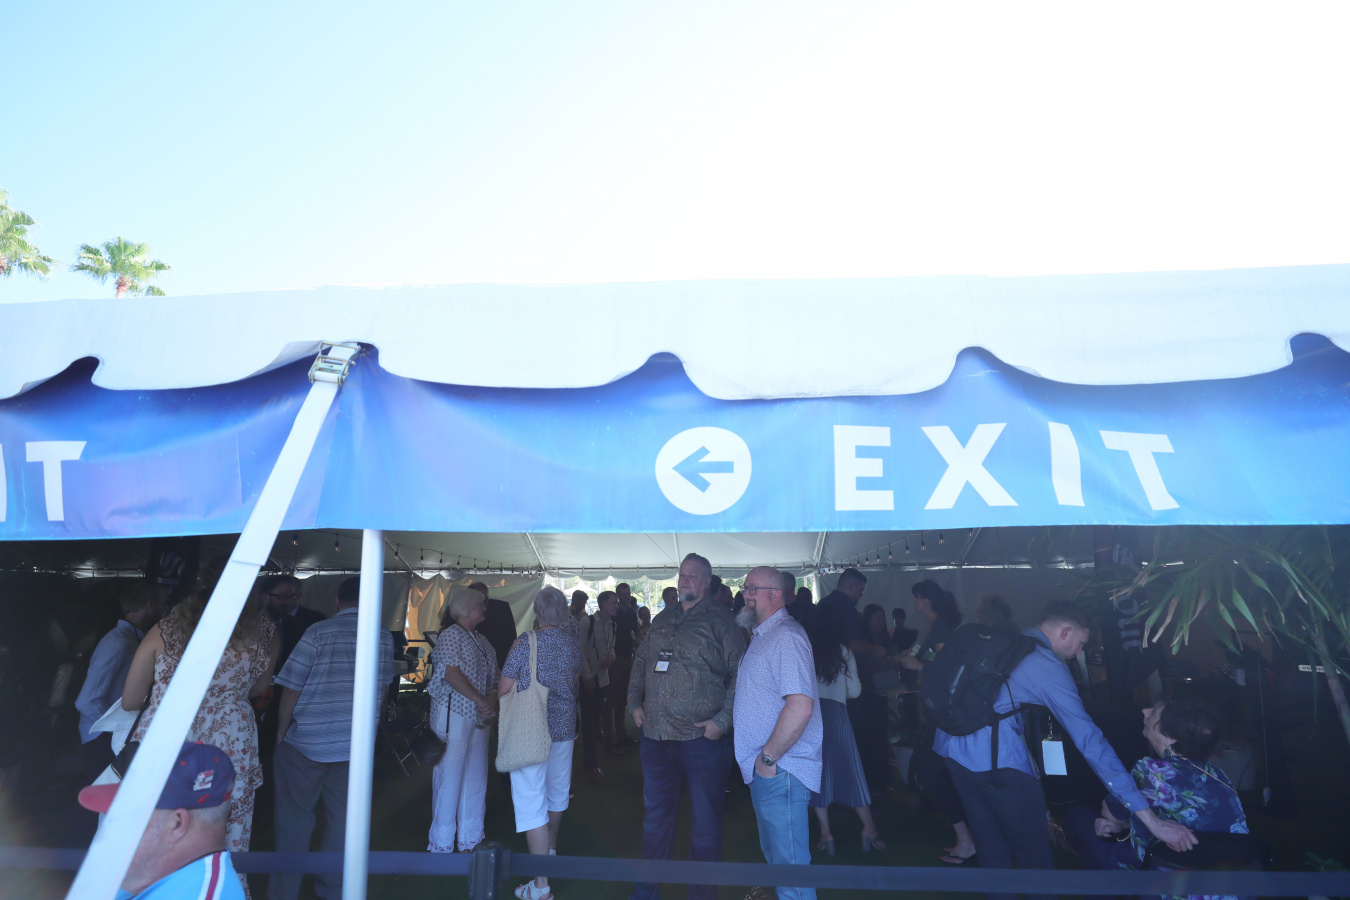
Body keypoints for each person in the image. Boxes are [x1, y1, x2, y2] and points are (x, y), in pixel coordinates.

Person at [936, 601, 1197, 900]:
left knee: (990, 844)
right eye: (1081, 643)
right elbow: (1091, 742)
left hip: (952, 750)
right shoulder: (1046, 665)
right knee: (1035, 854)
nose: (1078, 652)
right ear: (1065, 631)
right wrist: (1150, 819)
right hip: (998, 764)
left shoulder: (1007, 641)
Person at [124, 590, 279, 897]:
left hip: (170, 735)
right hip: (230, 736)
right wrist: (225, 693)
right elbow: (260, 686)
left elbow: (130, 699)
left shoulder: (165, 628)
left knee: (157, 824)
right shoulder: (264, 630)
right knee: (230, 829)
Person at [627, 553, 747, 900]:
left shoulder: (724, 621)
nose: (684, 580)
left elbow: (742, 673)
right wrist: (634, 701)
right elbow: (641, 661)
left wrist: (723, 721)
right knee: (655, 821)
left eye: (692, 576)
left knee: (705, 825)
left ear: (707, 582)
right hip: (656, 737)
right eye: (682, 574)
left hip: (701, 739)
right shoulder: (663, 618)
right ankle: (646, 893)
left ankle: (702, 895)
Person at [267, 577, 394, 900]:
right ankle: (334, 890)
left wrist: (281, 731)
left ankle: (285, 894)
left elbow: (291, 687)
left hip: (306, 742)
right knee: (343, 825)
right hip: (353, 745)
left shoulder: (318, 632)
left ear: (338, 600)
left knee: (294, 823)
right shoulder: (382, 636)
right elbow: (382, 691)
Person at [1064, 698, 1247, 890]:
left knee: (1080, 817)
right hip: (1224, 889)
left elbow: (1110, 813)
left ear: (1170, 737)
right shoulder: (1219, 775)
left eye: (1154, 712)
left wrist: (1119, 823)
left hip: (1158, 884)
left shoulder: (1150, 771)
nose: (1145, 710)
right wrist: (1127, 825)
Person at [734, 567, 823, 900]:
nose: (746, 594)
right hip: (769, 770)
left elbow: (801, 707)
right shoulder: (765, 634)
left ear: (776, 595)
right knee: (781, 863)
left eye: (753, 589)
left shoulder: (786, 636)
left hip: (780, 770)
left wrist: (768, 759)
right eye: (745, 588)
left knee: (791, 873)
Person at [79, 741, 244, 900]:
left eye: (128, 817)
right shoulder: (142, 873)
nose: (111, 832)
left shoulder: (197, 894)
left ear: (177, 824)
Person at [499, 587, 582, 900]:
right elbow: (574, 680)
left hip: (530, 730)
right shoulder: (571, 643)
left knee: (531, 799)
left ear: (537, 611)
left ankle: (541, 885)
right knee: (557, 794)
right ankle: (550, 851)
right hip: (564, 729)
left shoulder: (526, 642)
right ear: (564, 611)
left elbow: (504, 687)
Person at [900, 580, 976, 866]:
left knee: (931, 773)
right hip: (942, 715)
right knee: (944, 774)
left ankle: (967, 839)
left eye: (915, 598)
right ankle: (969, 836)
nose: (914, 603)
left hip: (945, 716)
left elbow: (952, 670)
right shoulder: (938, 626)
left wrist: (919, 665)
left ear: (924, 599)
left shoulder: (940, 628)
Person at [805, 599, 884, 855]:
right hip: (838, 715)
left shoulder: (806, 648)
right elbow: (855, 691)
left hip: (811, 715)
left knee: (817, 773)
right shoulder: (844, 651)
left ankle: (826, 834)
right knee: (851, 771)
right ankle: (869, 828)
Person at [424, 585, 499, 855]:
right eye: (481, 604)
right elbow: (450, 673)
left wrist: (491, 697)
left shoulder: (482, 639)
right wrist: (480, 699)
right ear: (467, 609)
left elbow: (495, 675)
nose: (484, 608)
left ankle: (470, 837)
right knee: (450, 775)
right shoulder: (450, 635)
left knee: (476, 776)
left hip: (479, 717)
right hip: (453, 714)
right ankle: (443, 842)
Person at [75, 583, 165, 785]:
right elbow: (87, 700)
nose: (164, 610)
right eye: (162, 603)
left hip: (111, 734)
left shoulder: (131, 639)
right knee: (102, 796)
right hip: (102, 737)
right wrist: (114, 730)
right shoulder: (118, 642)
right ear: (150, 604)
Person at [850, 604, 897, 796]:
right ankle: (871, 781)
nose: (881, 622)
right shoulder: (864, 644)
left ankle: (882, 779)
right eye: (877, 618)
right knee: (868, 737)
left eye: (883, 618)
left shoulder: (884, 639)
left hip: (881, 695)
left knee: (880, 736)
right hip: (866, 696)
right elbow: (867, 667)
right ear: (868, 620)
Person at [580, 590, 618, 776]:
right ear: (603, 604)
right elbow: (580, 651)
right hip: (590, 678)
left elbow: (612, 648)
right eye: (613, 602)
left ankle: (591, 759)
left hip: (603, 678)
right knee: (589, 721)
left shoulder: (612, 624)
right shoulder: (587, 622)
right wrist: (587, 677)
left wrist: (612, 657)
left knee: (596, 720)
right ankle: (591, 762)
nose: (616, 606)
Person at [258, 575, 325, 674]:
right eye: (283, 597)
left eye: (292, 597)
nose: (289, 601)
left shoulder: (294, 624)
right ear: (265, 597)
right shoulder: (246, 623)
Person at [610, 583, 640, 746]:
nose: (627, 597)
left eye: (628, 593)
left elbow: (634, 633)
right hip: (616, 660)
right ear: (618, 596)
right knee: (616, 698)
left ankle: (621, 733)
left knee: (623, 697)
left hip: (628, 658)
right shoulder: (614, 614)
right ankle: (615, 734)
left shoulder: (631, 613)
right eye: (623, 594)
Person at [474, 581, 519, 671]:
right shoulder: (457, 632)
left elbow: (511, 637)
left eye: (484, 600)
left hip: (499, 663)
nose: (482, 605)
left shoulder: (501, 609)